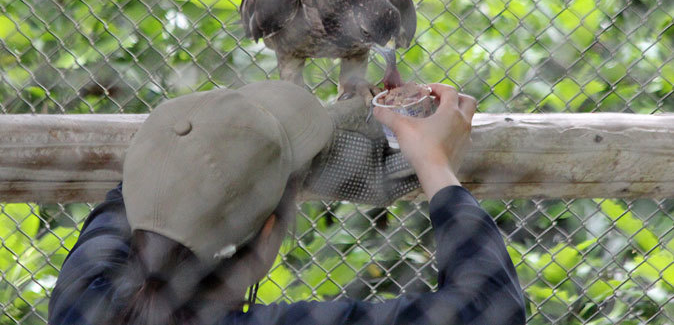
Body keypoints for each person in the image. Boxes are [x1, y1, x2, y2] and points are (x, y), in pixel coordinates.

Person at [48, 80, 526, 325]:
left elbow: (140, 190)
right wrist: (435, 163)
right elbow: (490, 311)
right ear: (269, 233)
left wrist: (220, 145)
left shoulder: (79, 299)